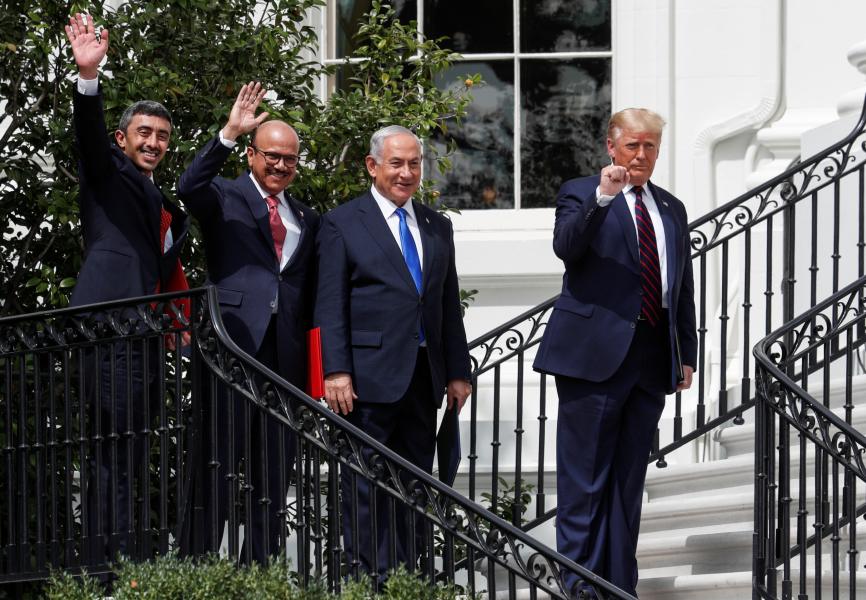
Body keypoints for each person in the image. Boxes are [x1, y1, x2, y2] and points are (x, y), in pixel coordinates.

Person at [533, 108, 697, 597]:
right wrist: (604, 197)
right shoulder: (583, 192)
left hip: (650, 360)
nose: (641, 155)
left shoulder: (671, 207)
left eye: (650, 146)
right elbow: (566, 247)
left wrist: (685, 351)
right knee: (585, 481)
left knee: (627, 484)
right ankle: (579, 586)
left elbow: (680, 287)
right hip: (593, 359)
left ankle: (618, 585)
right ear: (611, 146)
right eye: (632, 146)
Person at [314, 125, 472, 579]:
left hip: (423, 379)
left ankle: (407, 579)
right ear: (373, 166)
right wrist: (337, 370)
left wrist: (457, 371)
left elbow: (446, 305)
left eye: (414, 164)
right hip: (365, 380)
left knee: (415, 484)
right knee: (364, 485)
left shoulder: (436, 226)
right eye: (397, 163)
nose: (406, 173)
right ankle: (370, 580)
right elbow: (330, 303)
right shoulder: (343, 222)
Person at [64, 13, 190, 561]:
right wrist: (88, 78)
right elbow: (89, 139)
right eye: (144, 133)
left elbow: (165, 268)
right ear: (122, 138)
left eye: (162, 136)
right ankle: (103, 566)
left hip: (142, 333)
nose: (154, 142)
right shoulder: (108, 171)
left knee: (130, 451)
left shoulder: (161, 204)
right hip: (107, 325)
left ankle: (120, 558)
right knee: (109, 449)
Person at [176, 82, 319, 563]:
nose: (281, 165)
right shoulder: (223, 195)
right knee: (215, 465)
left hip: (285, 360)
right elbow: (186, 186)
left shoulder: (306, 217)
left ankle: (257, 572)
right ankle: (196, 570)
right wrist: (229, 133)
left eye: (290, 159)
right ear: (252, 155)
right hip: (232, 349)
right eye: (272, 155)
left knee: (273, 474)